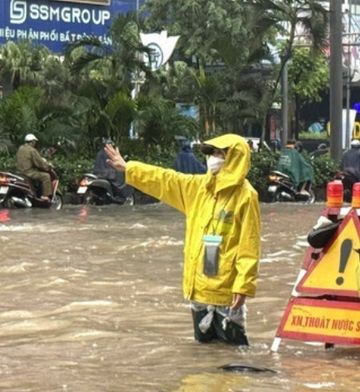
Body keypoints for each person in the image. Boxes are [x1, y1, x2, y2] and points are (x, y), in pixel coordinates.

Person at [104, 134, 261, 346]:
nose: (213, 158)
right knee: (204, 354)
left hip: (226, 293)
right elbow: (165, 179)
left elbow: (248, 245)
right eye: (213, 153)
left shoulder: (245, 196)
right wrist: (129, 168)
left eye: (219, 154)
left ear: (234, 158)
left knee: (234, 356)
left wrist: (243, 287)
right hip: (199, 288)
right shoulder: (199, 188)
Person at [16, 133, 54, 198]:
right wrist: (47, 166)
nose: (35, 143)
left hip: (19, 172)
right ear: (32, 142)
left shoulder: (20, 148)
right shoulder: (32, 150)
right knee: (46, 176)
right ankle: (45, 196)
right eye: (34, 141)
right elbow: (39, 163)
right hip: (28, 173)